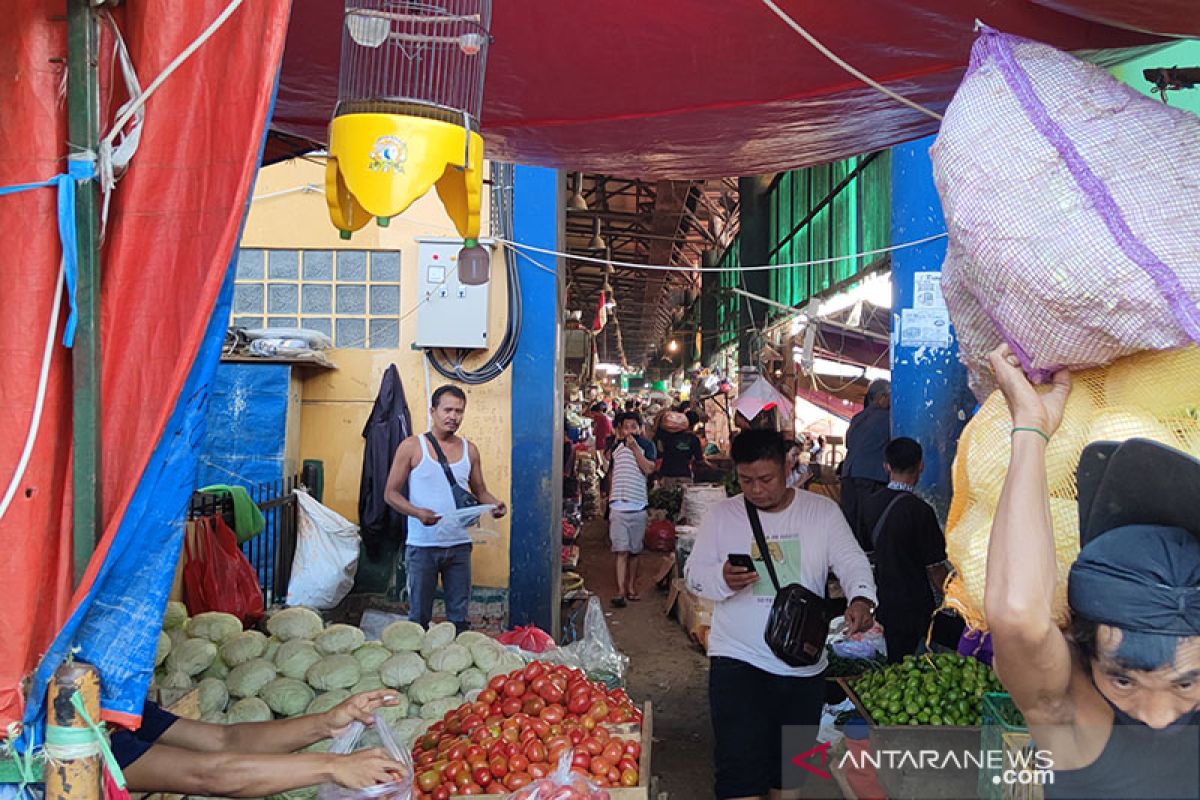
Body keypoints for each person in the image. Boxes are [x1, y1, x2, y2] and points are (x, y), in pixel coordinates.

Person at [984, 343, 1199, 799]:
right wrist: (1030, 428)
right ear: (1083, 651)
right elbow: (1018, 616)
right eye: (1123, 679)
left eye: (1187, 682)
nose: (1157, 714)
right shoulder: (1074, 717)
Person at [685, 429, 878, 800]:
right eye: (746, 480)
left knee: (790, 779)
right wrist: (721, 579)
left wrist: (862, 599)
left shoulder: (821, 513)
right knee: (738, 777)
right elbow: (694, 575)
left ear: (787, 465)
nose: (756, 490)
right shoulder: (723, 517)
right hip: (738, 663)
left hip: (804, 668)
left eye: (766, 479)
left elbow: (852, 561)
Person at [384, 384, 507, 633]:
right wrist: (417, 513)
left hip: (459, 546)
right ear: (433, 411)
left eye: (459, 411)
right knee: (418, 617)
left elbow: (480, 490)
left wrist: (494, 504)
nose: (453, 416)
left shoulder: (469, 450)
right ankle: (417, 664)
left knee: (459, 618)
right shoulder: (411, 447)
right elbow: (390, 494)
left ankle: (456, 663)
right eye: (447, 410)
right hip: (422, 546)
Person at [118, 691, 406, 796]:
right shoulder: (81, 735)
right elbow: (206, 775)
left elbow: (223, 740)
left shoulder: (117, 708)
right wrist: (332, 766)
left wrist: (326, 724)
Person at [858, 437, 950, 662]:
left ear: (886, 466)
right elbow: (936, 569)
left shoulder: (868, 504)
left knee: (890, 664)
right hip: (914, 607)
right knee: (912, 667)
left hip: (881, 601)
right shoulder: (921, 511)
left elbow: (865, 552)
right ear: (921, 466)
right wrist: (957, 599)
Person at [605, 411, 657, 608]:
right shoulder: (615, 445)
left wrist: (635, 449)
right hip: (617, 505)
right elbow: (607, 464)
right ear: (621, 429)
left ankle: (631, 586)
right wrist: (616, 441)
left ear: (640, 429)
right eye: (626, 427)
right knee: (621, 551)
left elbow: (649, 469)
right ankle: (620, 590)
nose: (630, 431)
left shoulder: (647, 446)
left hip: (638, 505)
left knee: (635, 551)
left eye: (633, 427)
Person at [840, 379, 891, 550]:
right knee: (869, 524)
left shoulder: (857, 418)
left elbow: (848, 444)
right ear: (882, 397)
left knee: (850, 524)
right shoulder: (887, 418)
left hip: (849, 475)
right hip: (871, 477)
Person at [654, 411, 705, 488]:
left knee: (669, 498)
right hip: (685, 475)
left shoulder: (663, 436)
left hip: (667, 475)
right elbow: (699, 459)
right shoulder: (693, 439)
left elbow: (658, 454)